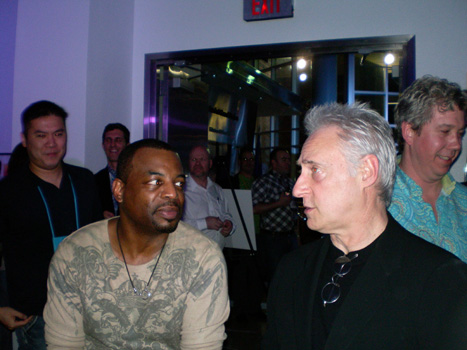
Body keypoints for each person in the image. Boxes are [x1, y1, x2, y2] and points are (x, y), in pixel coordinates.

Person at [262, 102, 467, 350]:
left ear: (367, 171)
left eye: (315, 169)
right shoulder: (291, 270)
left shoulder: (440, 279)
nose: (297, 188)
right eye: (301, 171)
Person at [44, 139, 230, 349]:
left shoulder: (202, 258)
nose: (173, 193)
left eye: (178, 183)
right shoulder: (75, 254)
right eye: (156, 182)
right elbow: (64, 344)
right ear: (119, 190)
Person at [0, 100, 102, 349]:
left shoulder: (85, 181)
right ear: (25, 140)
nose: (51, 143)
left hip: (91, 308)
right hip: (38, 316)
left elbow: (102, 240)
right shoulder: (9, 191)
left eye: (58, 134)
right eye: (41, 135)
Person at [388, 76, 467, 262]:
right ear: (409, 132)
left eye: (460, 133)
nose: (456, 144)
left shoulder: (464, 201)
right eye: (445, 131)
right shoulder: (376, 200)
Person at [251, 147, 296, 284]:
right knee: (275, 278)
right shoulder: (263, 182)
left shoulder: (290, 183)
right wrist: (279, 203)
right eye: (283, 160)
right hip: (272, 239)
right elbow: (253, 209)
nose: (287, 163)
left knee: (291, 276)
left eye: (288, 160)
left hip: (290, 236)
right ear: (274, 163)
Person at [182, 145, 236, 249]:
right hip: (191, 255)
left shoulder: (217, 189)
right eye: (194, 159)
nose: (197, 163)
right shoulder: (181, 190)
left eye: (202, 159)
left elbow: (226, 214)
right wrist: (205, 223)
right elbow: (177, 226)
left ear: (210, 163)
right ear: (189, 163)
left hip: (217, 254)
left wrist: (229, 225)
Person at [94, 123, 130, 218]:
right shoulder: (94, 181)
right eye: (108, 140)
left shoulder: (137, 178)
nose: (113, 145)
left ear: (127, 145)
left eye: (118, 140)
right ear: (103, 145)